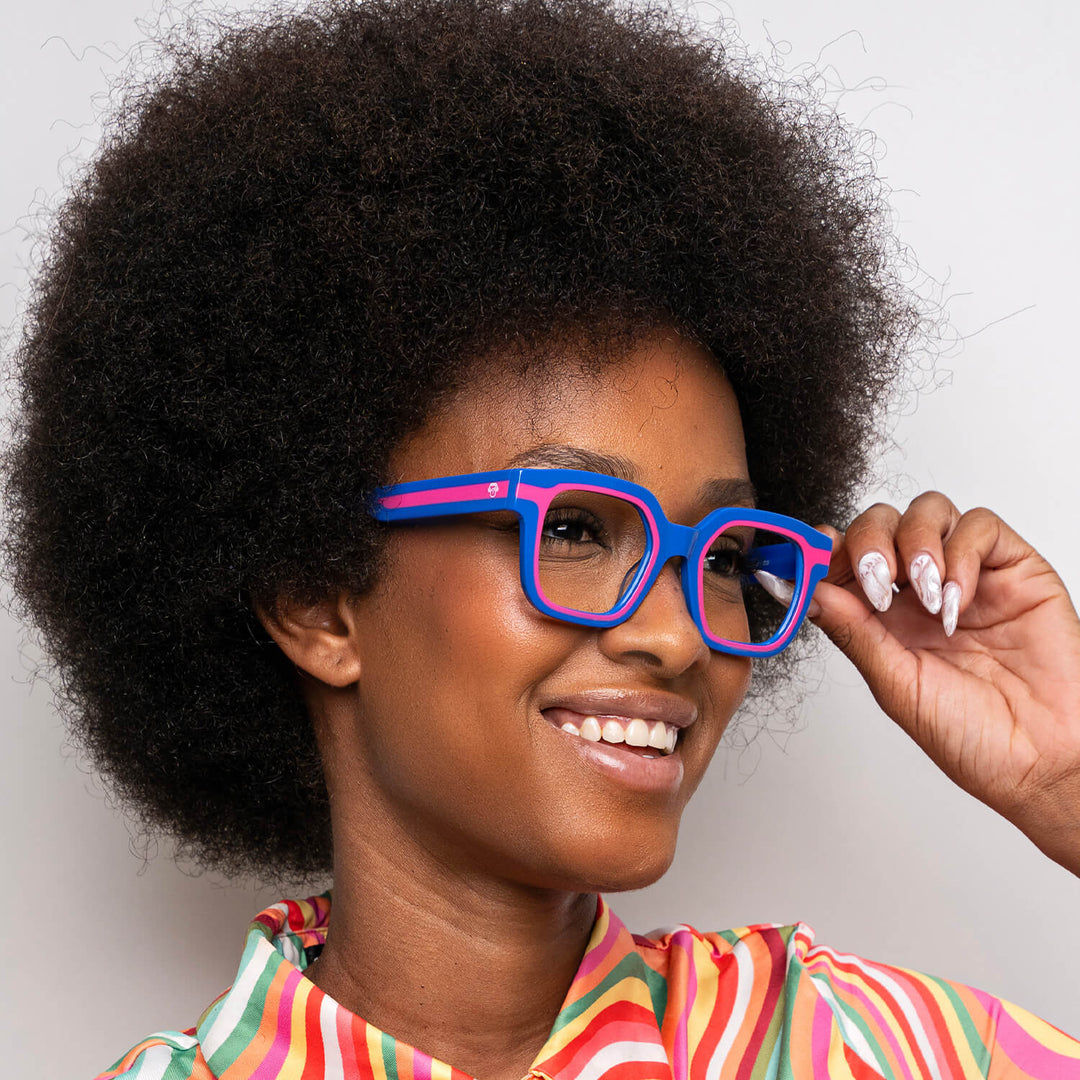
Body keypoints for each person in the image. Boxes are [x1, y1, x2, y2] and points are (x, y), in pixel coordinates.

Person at [6, 0, 1080, 1075]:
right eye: (572, 527)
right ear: (317, 596)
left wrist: (1069, 784)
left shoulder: (857, 1048)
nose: (677, 636)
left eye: (717, 557)